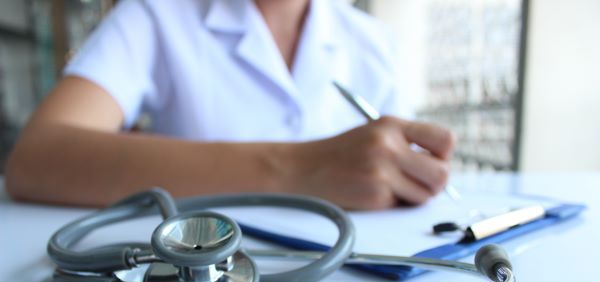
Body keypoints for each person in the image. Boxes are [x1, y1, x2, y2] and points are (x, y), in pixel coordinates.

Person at [5, 0, 454, 210]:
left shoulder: (375, 42)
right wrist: (299, 168)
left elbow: (403, 184)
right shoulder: (154, 15)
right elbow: (38, 158)